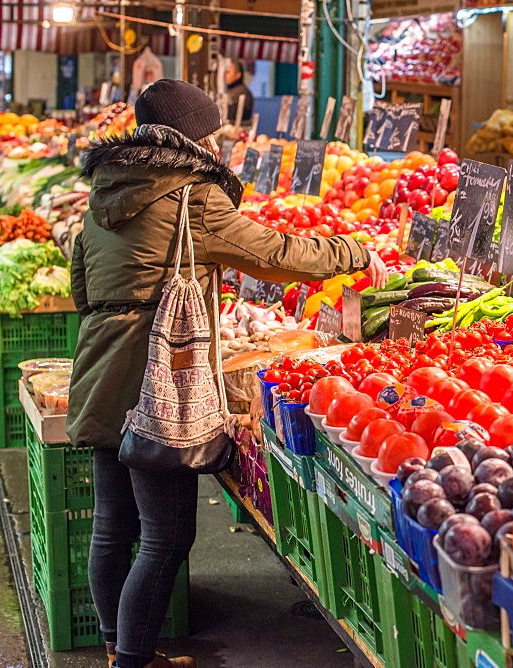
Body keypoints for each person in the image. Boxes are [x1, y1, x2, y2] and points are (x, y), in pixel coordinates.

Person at [68, 79, 388, 668]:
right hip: (160, 371)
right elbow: (275, 254)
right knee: (165, 536)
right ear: (194, 135)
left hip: (99, 364)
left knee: (113, 525)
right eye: (212, 133)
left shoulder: (104, 190)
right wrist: (353, 253)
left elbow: (81, 288)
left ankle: (118, 648)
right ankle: (134, 660)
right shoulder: (190, 195)